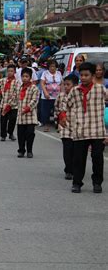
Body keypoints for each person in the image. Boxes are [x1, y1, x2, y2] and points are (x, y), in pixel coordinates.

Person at [59, 62, 105, 194]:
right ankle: (77, 183)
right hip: (80, 130)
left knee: (97, 158)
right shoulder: (75, 90)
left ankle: (97, 183)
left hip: (97, 129)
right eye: (81, 75)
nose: (83, 77)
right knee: (78, 159)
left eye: (86, 75)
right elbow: (65, 105)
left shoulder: (100, 89)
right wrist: (62, 116)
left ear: (93, 75)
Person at [54, 74, 79, 180]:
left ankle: (75, 169)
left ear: (76, 85)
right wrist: (59, 117)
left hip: (77, 126)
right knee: (67, 149)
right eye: (65, 84)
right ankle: (68, 170)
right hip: (65, 126)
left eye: (68, 85)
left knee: (76, 150)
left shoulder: (80, 96)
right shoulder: (61, 95)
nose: (66, 87)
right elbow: (56, 107)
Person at [16, 68, 40, 158]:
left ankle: (29, 151)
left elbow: (35, 100)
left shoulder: (34, 88)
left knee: (30, 134)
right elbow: (15, 99)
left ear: (30, 77)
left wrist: (27, 108)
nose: (24, 78)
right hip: (21, 116)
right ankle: (21, 150)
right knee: (20, 134)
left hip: (30, 116)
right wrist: (8, 106)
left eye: (27, 76)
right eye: (23, 76)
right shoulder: (19, 88)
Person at [0, 64, 18, 141]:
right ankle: (3, 135)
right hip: (4, 103)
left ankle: (10, 133)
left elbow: (17, 92)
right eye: (8, 71)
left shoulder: (17, 82)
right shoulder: (3, 80)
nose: (10, 72)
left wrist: (12, 100)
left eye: (11, 71)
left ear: (14, 72)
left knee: (13, 119)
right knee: (3, 120)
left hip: (13, 104)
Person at [40, 60, 62, 132]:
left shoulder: (59, 73)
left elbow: (61, 83)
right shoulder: (45, 73)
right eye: (51, 66)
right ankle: (46, 125)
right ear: (48, 67)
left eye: (54, 66)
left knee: (58, 111)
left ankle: (59, 125)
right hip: (47, 96)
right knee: (45, 112)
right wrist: (45, 93)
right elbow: (42, 83)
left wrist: (62, 93)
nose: (52, 68)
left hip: (57, 96)